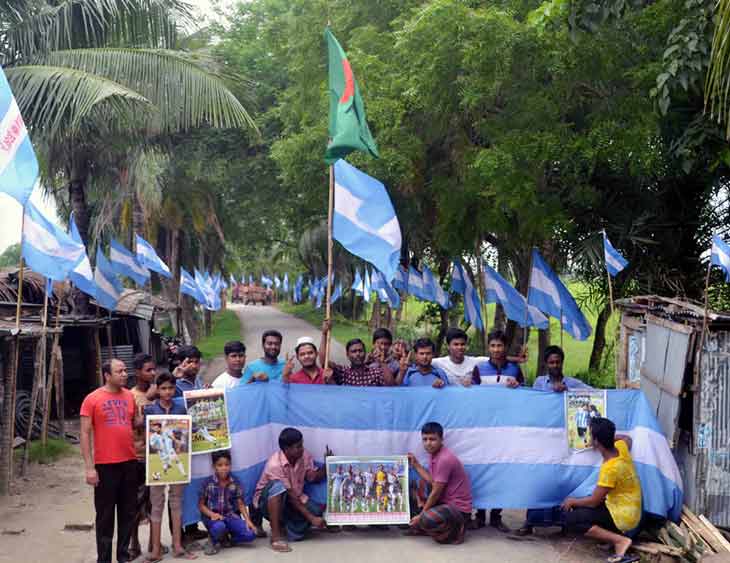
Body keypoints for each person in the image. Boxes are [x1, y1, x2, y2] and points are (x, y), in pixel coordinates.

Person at [80, 359, 142, 563]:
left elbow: (136, 425)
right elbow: (85, 434)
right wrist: (90, 468)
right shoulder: (92, 399)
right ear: (107, 375)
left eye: (125, 370)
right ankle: (104, 559)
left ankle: (123, 557)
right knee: (105, 517)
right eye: (120, 371)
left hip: (130, 463)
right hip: (105, 466)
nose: (125, 374)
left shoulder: (130, 397)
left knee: (128, 513)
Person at [561, 418, 641, 563]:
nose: (589, 438)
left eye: (591, 435)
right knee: (585, 507)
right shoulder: (621, 448)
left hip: (623, 519)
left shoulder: (610, 468)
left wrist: (573, 501)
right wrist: (609, 439)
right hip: (630, 511)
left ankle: (619, 541)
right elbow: (627, 438)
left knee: (571, 519)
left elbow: (593, 501)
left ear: (596, 441)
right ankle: (612, 538)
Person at [471, 330, 523, 532]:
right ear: (488, 348)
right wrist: (468, 386)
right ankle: (479, 514)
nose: (496, 350)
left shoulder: (514, 369)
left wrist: (518, 386)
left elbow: (524, 395)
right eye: (492, 346)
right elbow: (470, 396)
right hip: (483, 428)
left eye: (499, 346)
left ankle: (496, 516)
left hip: (505, 429)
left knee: (502, 470)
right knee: (481, 469)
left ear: (505, 347)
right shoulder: (479, 369)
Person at [251, 427, 332, 553]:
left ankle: (288, 528)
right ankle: (276, 536)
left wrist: (328, 464)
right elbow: (290, 495)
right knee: (278, 487)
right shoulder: (275, 465)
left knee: (316, 512)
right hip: (269, 502)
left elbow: (312, 477)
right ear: (287, 449)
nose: (302, 449)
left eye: (302, 445)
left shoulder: (303, 455)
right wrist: (311, 518)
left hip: (293, 498)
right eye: (298, 446)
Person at [143, 372, 193, 562]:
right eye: (163, 388)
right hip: (157, 460)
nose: (167, 392)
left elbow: (183, 434)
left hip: (177, 455)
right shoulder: (150, 410)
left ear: (175, 388)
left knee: (176, 502)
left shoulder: (181, 409)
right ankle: (156, 549)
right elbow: (148, 436)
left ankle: (178, 545)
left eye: (171, 388)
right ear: (157, 389)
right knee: (156, 505)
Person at [407, 422, 473, 544]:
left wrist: (421, 515)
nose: (428, 443)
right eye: (425, 439)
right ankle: (428, 525)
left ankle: (457, 532)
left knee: (426, 519)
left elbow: (436, 492)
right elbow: (432, 481)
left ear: (441, 439)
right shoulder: (434, 454)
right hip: (445, 503)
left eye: (432, 439)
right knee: (418, 484)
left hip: (459, 510)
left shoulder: (444, 459)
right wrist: (415, 464)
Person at [198, 450, 257, 555]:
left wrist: (248, 520)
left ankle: (228, 540)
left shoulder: (235, 481)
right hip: (213, 518)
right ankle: (212, 540)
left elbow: (240, 503)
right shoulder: (207, 483)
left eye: (227, 464)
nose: (224, 468)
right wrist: (212, 514)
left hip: (229, 516)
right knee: (219, 527)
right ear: (214, 466)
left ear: (230, 465)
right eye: (220, 465)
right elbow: (201, 505)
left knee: (251, 534)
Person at [129, 354, 157, 560]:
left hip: (156, 456)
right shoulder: (130, 396)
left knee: (153, 502)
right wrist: (149, 398)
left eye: (154, 369)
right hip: (138, 456)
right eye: (148, 370)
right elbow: (135, 424)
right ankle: (134, 543)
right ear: (137, 372)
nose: (153, 373)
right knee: (135, 503)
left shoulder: (159, 391)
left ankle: (152, 543)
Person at [320, 321, 394, 386]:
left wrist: (381, 362)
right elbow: (324, 362)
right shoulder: (343, 372)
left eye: (360, 351)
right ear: (347, 355)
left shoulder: (375, 372)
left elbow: (390, 386)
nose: (357, 354)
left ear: (365, 353)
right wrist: (324, 334)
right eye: (354, 351)